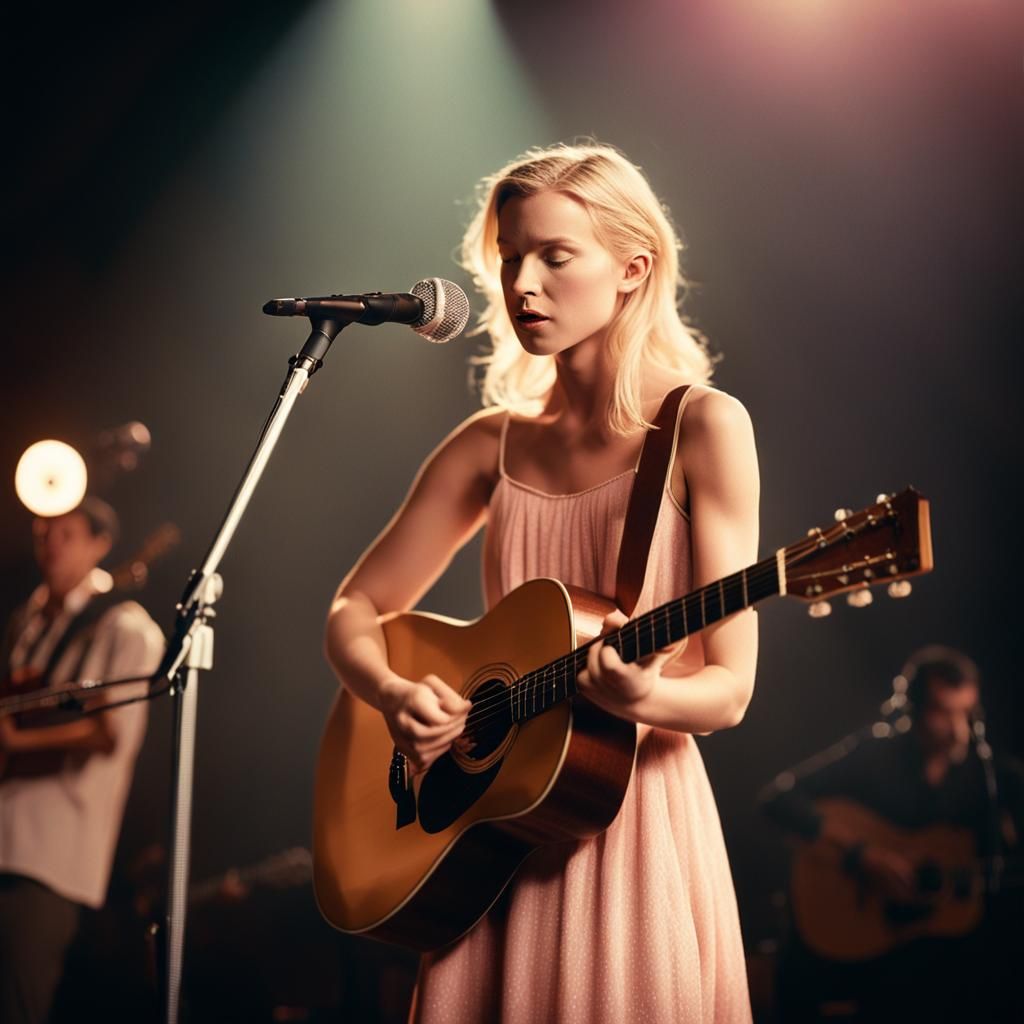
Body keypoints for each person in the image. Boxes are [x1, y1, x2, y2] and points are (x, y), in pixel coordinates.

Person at [324, 142, 760, 1023]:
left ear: (633, 268)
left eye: (555, 256)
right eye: (511, 256)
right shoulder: (492, 444)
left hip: (629, 825)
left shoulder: (705, 427)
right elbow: (356, 607)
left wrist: (644, 696)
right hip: (483, 839)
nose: (523, 283)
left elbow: (728, 690)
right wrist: (394, 692)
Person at [760, 646, 1024, 1022]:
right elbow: (779, 800)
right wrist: (862, 855)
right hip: (856, 936)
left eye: (966, 713)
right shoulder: (875, 755)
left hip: (931, 955)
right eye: (942, 713)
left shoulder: (990, 774)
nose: (957, 729)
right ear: (912, 710)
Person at [0, 497, 164, 1024]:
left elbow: (107, 734)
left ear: (100, 544)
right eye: (42, 532)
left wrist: (14, 742)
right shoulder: (26, 619)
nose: (50, 543)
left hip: (49, 854)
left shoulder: (125, 626)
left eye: (67, 533)